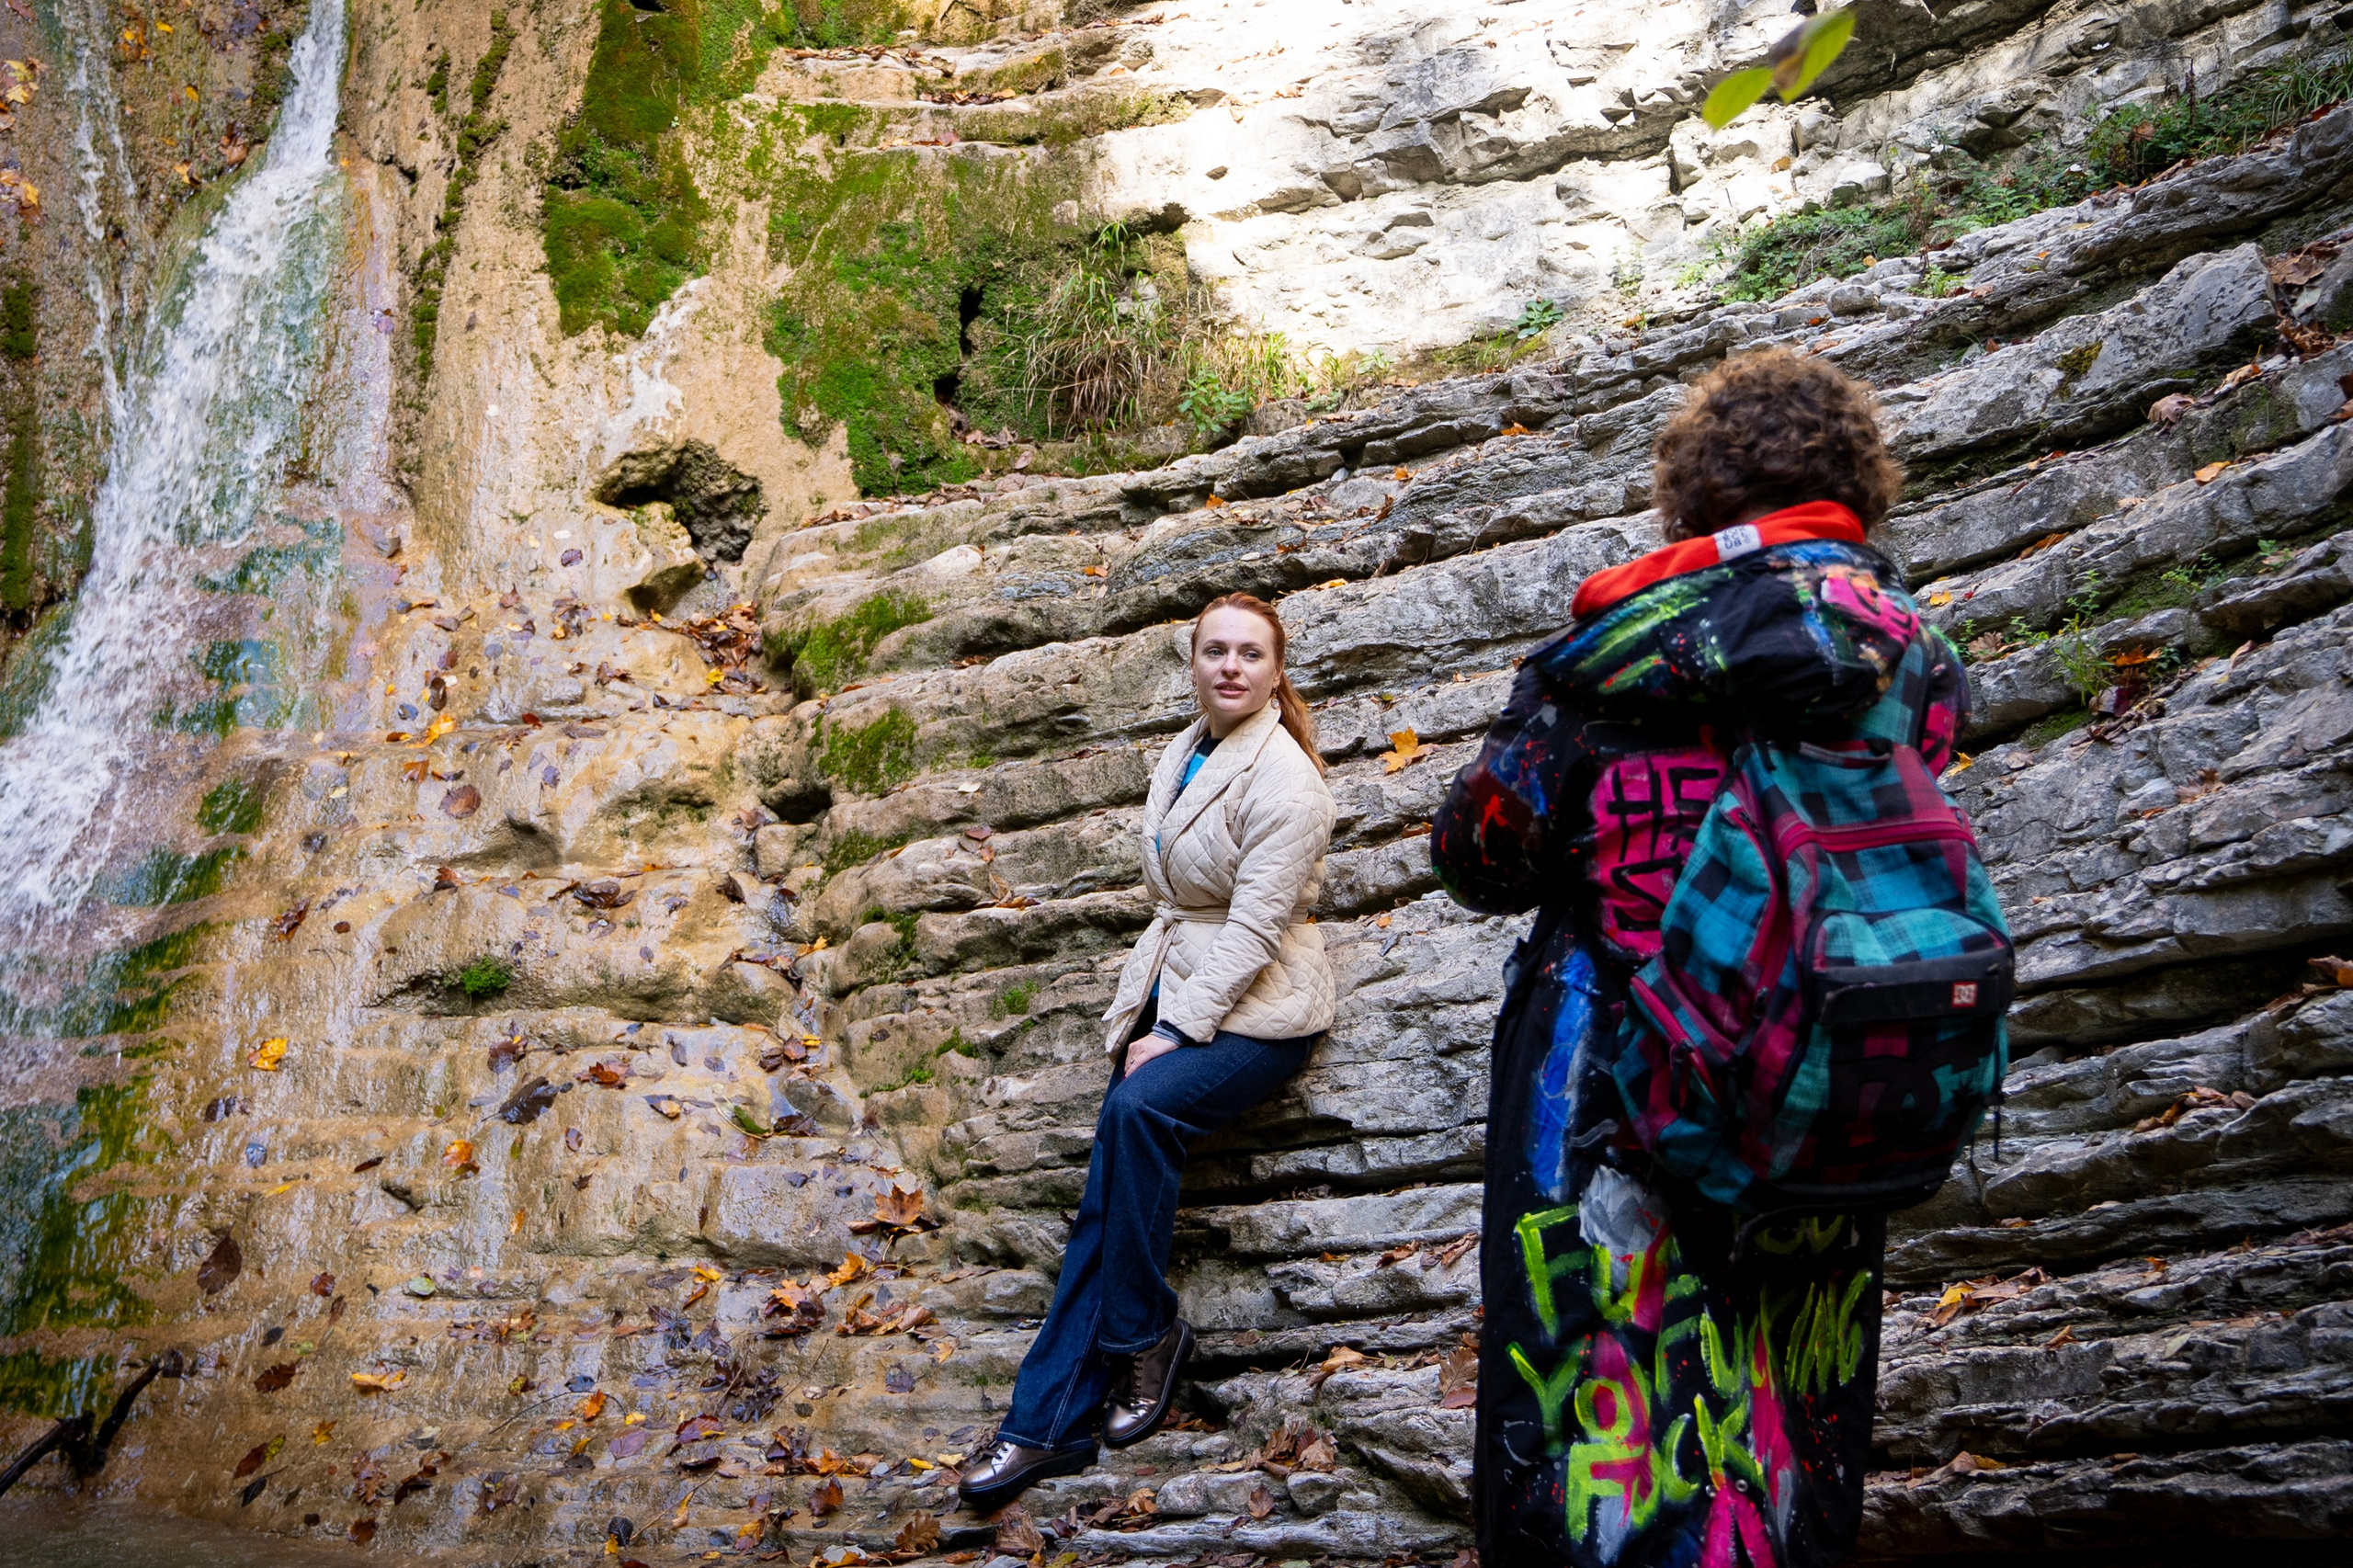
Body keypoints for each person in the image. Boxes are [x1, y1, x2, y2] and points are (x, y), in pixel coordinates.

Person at [1433, 349, 1972, 1568]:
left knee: (1597, 1409)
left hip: (1612, 1077)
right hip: (1823, 1077)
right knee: (1788, 1399)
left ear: (1695, 486)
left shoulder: (1613, 653)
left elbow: (1475, 851)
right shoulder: (1917, 657)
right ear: (1856, 479)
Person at [959, 592, 1336, 1512]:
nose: (1231, 666)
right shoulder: (1188, 746)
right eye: (1216, 650)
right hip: (1180, 976)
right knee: (1103, 1201)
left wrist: (1172, 1030)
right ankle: (1041, 1426)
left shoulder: (1286, 779)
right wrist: (1152, 1009)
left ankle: (1143, 1332)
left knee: (1138, 1109)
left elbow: (1251, 930)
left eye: (1251, 653)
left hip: (1261, 1010)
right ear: (1195, 662)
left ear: (1277, 671)